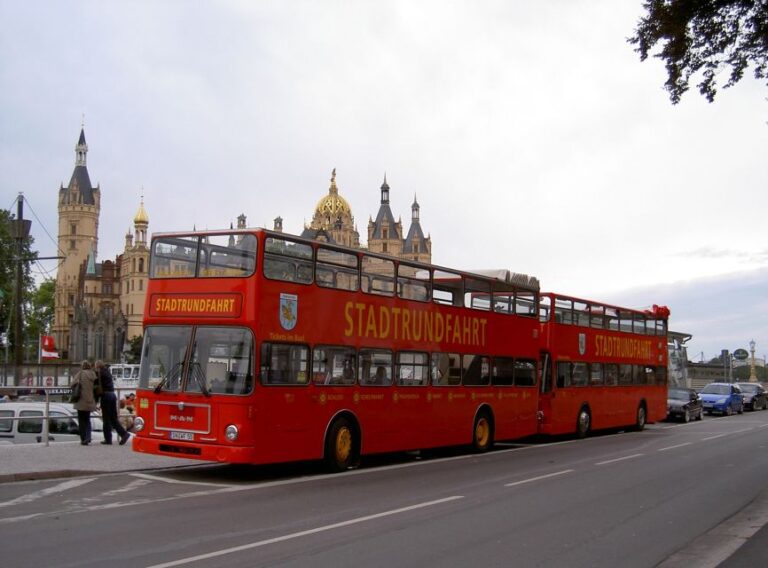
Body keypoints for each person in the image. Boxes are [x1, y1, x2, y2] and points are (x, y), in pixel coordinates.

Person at [95, 361, 131, 445]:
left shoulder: (99, 373)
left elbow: (96, 384)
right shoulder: (107, 372)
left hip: (106, 396)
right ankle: (124, 434)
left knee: (106, 419)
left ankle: (108, 439)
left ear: (98, 366)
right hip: (112, 395)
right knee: (113, 418)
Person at [72, 360, 98, 445]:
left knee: (81, 420)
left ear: (82, 366)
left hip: (81, 400)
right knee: (87, 419)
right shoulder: (93, 374)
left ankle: (83, 439)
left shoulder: (80, 373)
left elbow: (72, 384)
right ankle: (88, 436)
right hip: (90, 399)